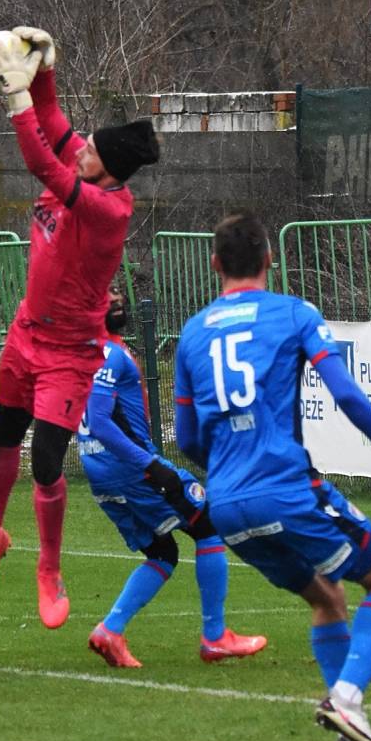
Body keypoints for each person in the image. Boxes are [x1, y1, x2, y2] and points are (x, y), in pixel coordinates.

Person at [174, 212, 371, 741]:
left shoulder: (192, 332)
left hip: (226, 506)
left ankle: (350, 737)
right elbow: (347, 395)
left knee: (328, 599)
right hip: (286, 487)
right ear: (270, 258)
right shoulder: (293, 314)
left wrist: (225, 468)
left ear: (215, 264)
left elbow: (187, 437)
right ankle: (346, 699)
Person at [0, 26, 160, 632]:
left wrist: (15, 100)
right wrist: (44, 68)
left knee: (45, 460)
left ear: (110, 171)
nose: (79, 149)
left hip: (71, 351)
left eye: (91, 152)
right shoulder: (90, 159)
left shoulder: (108, 209)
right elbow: (53, 120)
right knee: (2, 438)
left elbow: (36, 157)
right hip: (27, 332)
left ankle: (49, 570)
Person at [78, 285, 267, 667]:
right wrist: (149, 464)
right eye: (106, 298)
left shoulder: (83, 354)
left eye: (118, 297)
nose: (116, 302)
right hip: (129, 467)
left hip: (99, 471)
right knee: (209, 524)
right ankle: (215, 637)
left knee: (162, 552)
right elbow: (99, 420)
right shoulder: (109, 355)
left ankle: (110, 630)